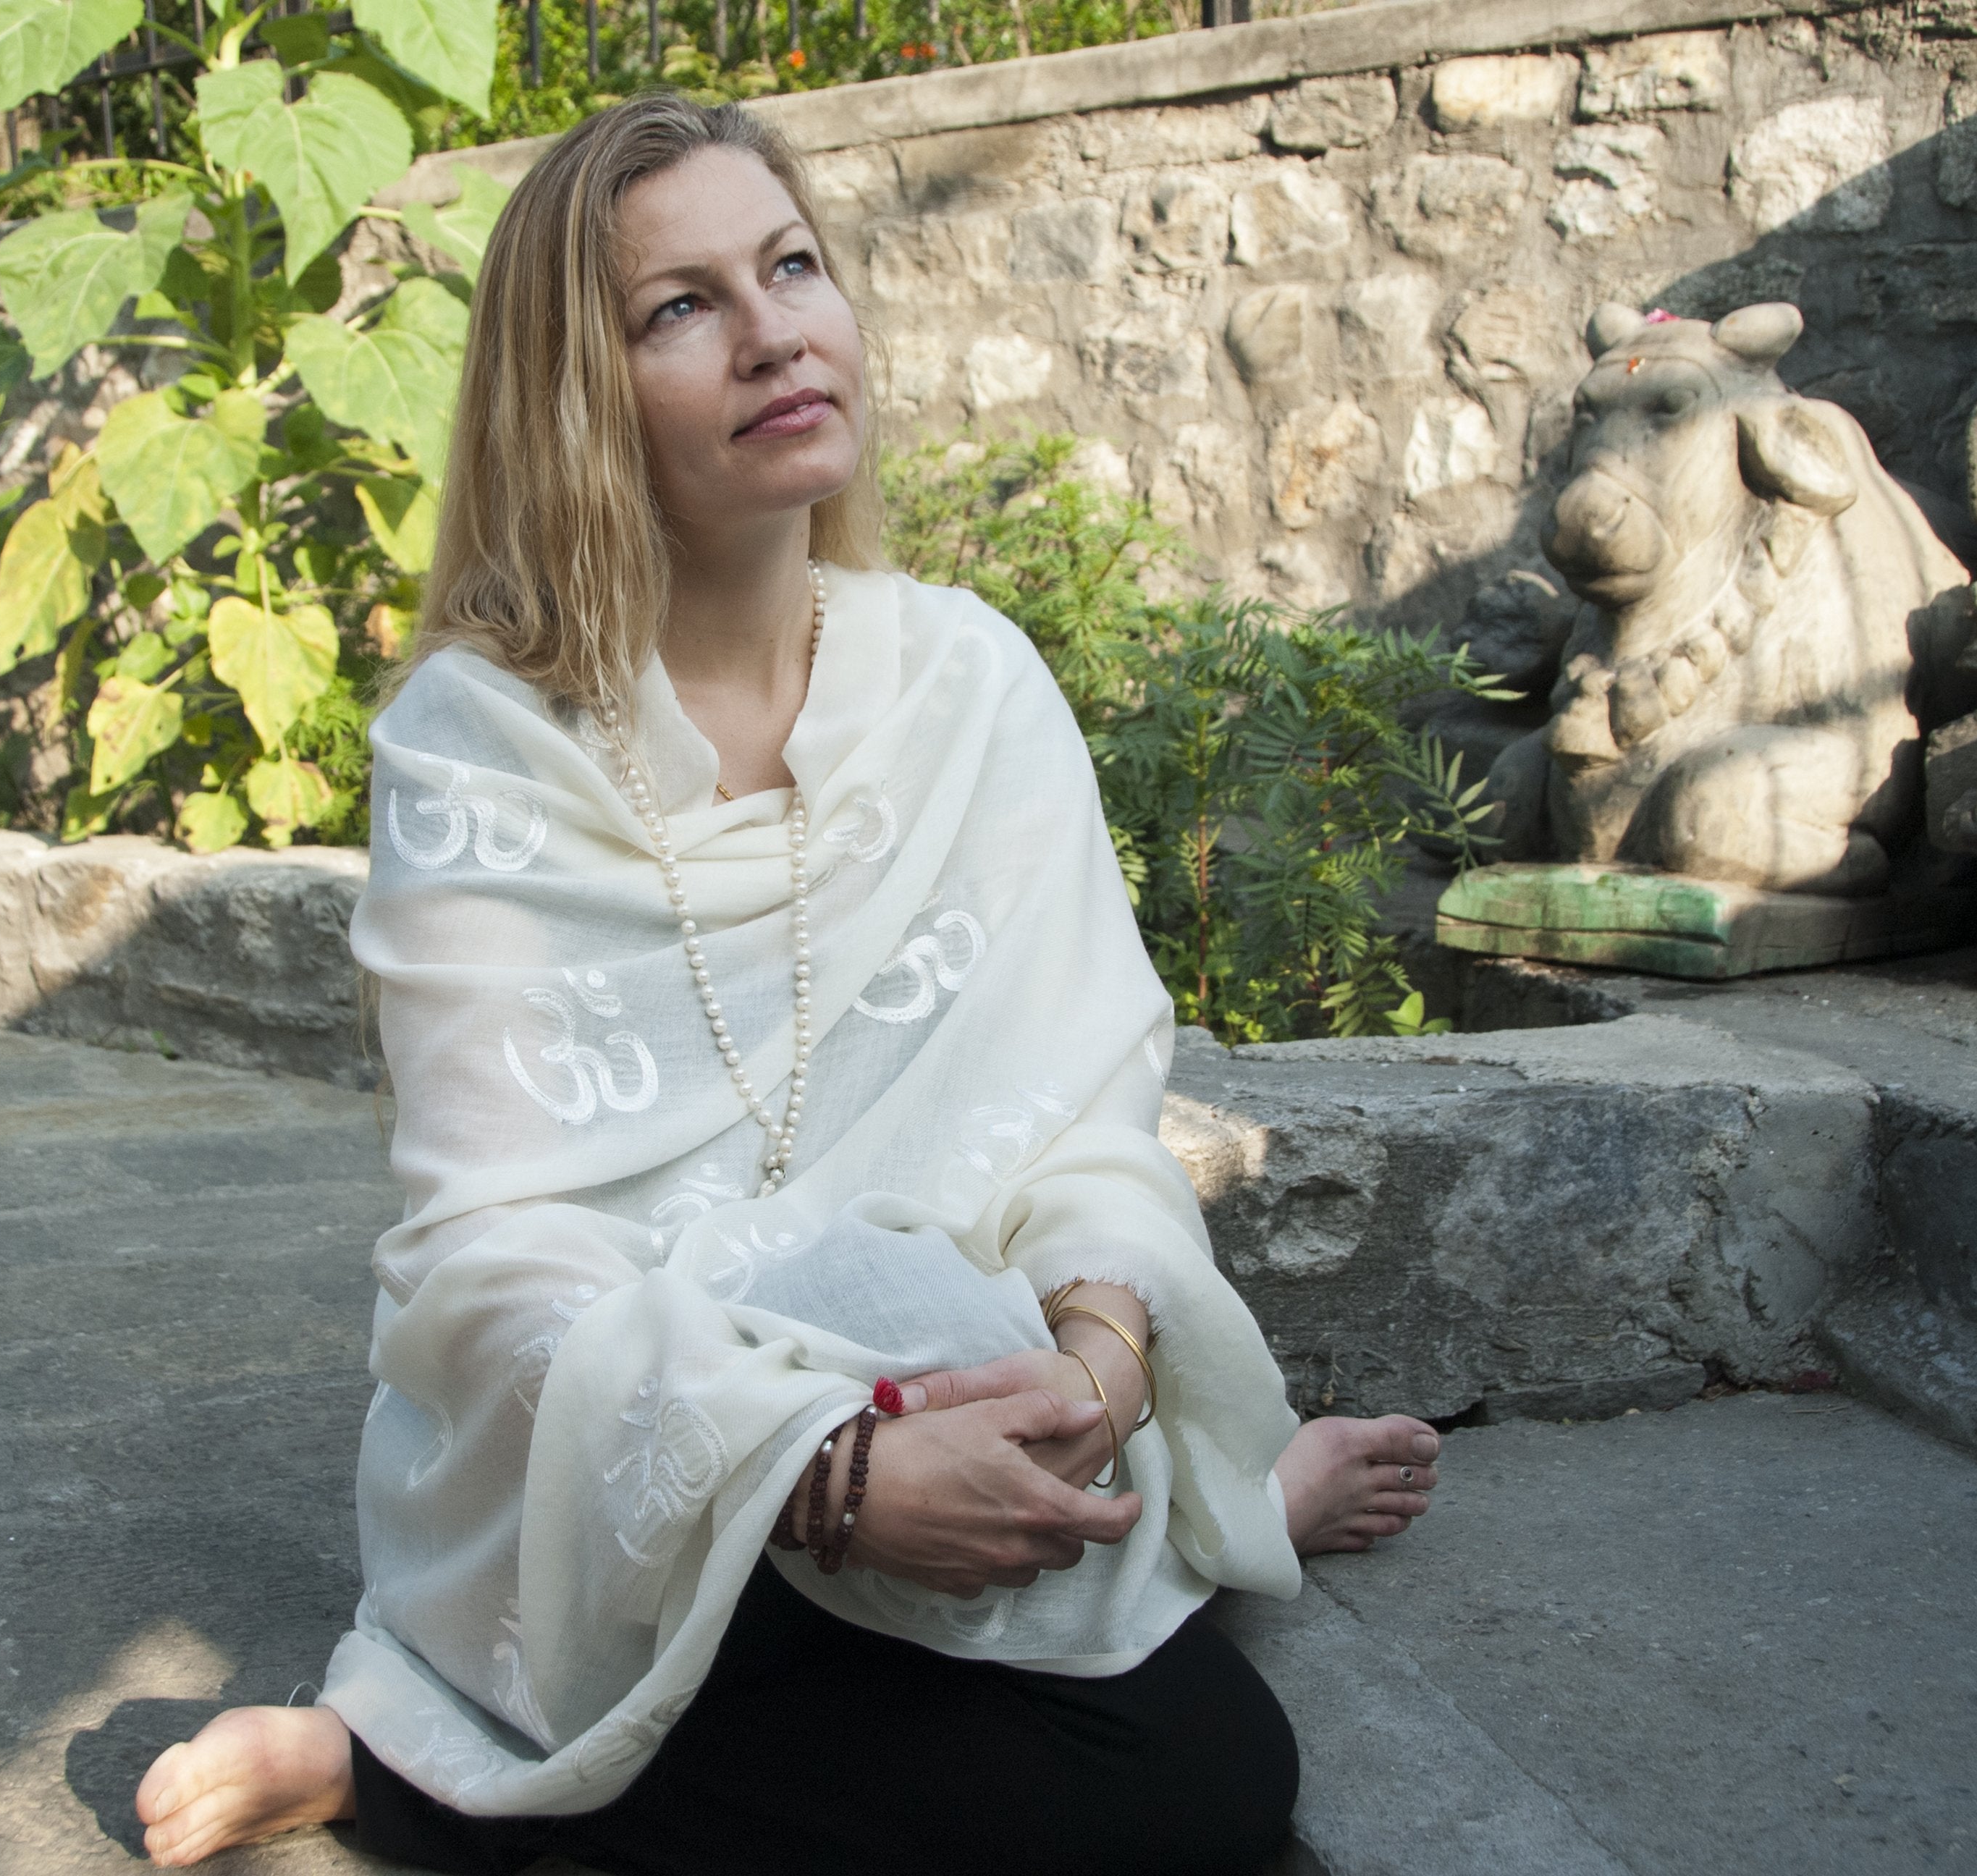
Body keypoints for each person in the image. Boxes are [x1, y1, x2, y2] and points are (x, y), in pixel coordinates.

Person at [135, 90, 1441, 1875]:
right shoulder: (480, 748)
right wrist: (818, 1471)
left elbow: (1080, 1113)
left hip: (954, 1392)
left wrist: (1097, 1366)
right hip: (640, 1459)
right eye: (680, 307)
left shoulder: (967, 683)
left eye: (791, 266)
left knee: (1187, 1773)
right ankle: (409, 1753)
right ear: (578, 391)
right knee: (1178, 1787)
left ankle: (1181, 1525)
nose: (773, 334)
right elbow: (494, 1258)